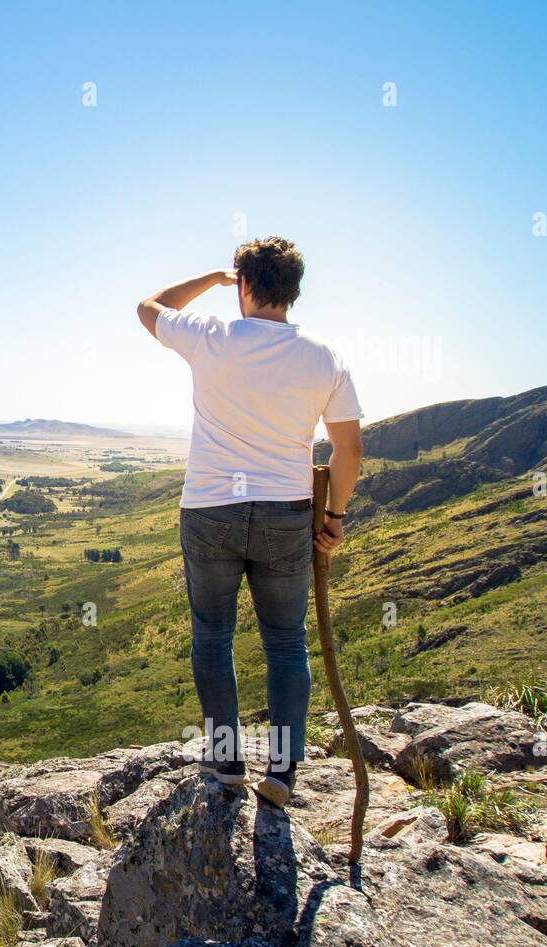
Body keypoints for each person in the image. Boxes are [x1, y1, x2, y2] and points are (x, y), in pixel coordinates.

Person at [136, 236, 363, 807]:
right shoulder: (323, 357)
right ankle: (282, 773)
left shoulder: (212, 337)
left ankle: (227, 758)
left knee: (212, 635)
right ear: (294, 289)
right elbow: (349, 449)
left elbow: (149, 306)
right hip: (287, 514)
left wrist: (210, 279)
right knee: (285, 642)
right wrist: (334, 515)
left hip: (211, 508)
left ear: (245, 284)